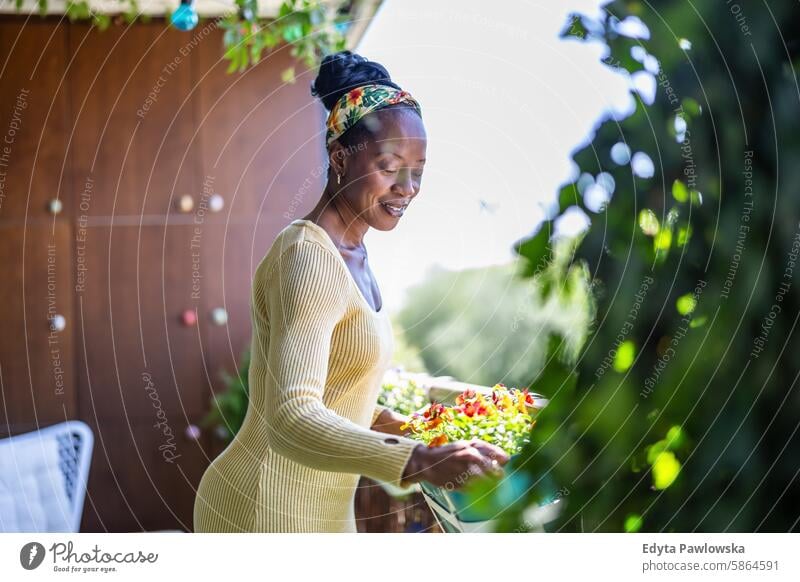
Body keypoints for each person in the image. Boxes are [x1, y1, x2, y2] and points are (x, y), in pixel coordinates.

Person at [193, 51, 508, 533]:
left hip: (319, 513)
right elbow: (292, 415)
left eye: (418, 170)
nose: (408, 187)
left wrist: (405, 428)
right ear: (340, 158)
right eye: (390, 165)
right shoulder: (309, 257)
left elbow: (338, 395)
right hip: (262, 512)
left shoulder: (353, 254)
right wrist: (417, 459)